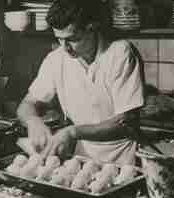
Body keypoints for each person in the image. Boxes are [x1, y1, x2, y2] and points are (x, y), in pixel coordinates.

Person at [17, 0, 144, 165]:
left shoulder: (120, 53)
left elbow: (127, 123)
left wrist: (72, 132)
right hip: (81, 158)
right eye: (60, 39)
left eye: (73, 39)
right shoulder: (56, 59)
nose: (65, 47)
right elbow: (27, 104)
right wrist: (33, 121)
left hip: (122, 158)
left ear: (92, 28)